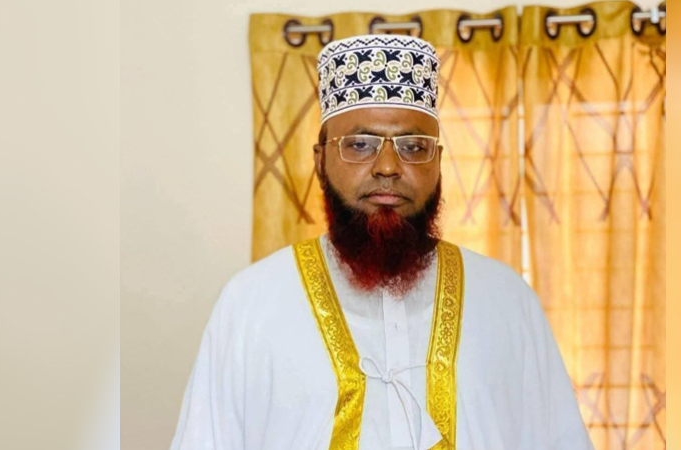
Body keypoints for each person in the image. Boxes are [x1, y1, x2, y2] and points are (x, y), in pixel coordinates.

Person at [170, 34, 593, 450]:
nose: (388, 166)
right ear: (320, 161)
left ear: (438, 162)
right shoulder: (250, 304)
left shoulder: (508, 302)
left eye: (413, 146)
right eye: (359, 144)